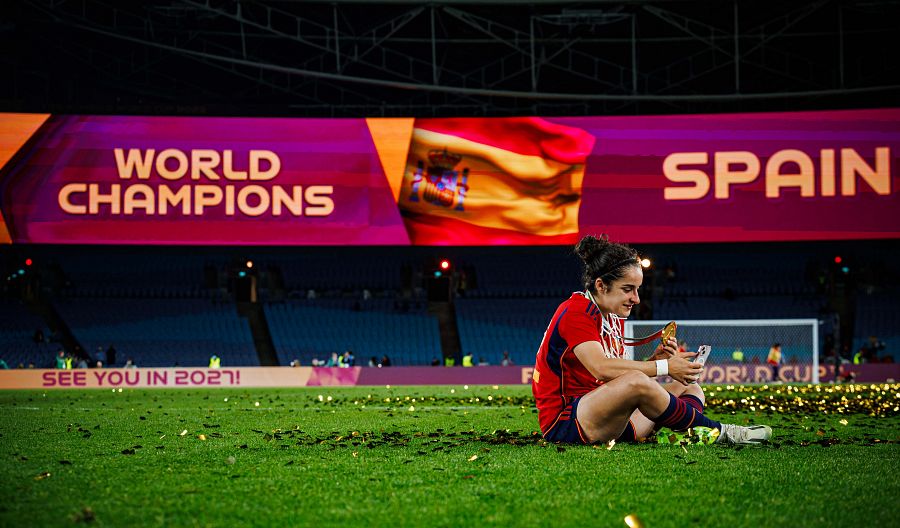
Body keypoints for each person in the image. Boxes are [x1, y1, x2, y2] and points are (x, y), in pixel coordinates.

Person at [532, 234, 771, 446]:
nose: (636, 299)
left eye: (638, 289)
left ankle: (689, 434)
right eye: (628, 289)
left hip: (607, 418)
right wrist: (665, 367)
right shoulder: (577, 311)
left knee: (689, 386)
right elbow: (602, 368)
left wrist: (654, 361)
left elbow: (616, 377)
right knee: (637, 381)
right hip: (566, 423)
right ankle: (719, 432)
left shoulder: (611, 315)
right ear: (601, 285)